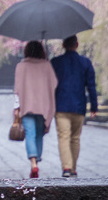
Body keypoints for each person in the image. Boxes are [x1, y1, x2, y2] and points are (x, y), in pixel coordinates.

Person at [51, 34, 98, 177]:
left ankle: (66, 167)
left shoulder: (55, 62)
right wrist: (94, 106)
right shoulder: (85, 63)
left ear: (63, 45)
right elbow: (91, 86)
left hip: (61, 105)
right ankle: (73, 168)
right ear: (77, 45)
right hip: (79, 105)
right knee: (75, 138)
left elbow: (51, 85)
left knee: (63, 137)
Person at [13, 41, 58, 179]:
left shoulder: (21, 66)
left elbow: (17, 89)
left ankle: (33, 163)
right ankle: (37, 159)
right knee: (39, 134)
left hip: (26, 106)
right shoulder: (47, 65)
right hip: (43, 107)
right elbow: (54, 83)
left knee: (30, 133)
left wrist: (16, 107)